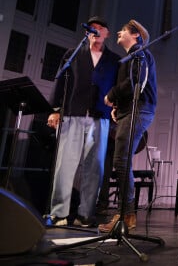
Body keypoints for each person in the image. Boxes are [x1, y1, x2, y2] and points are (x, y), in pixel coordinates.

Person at [48, 16, 119, 227]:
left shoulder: (114, 60)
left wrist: (115, 107)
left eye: (101, 28)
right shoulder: (73, 54)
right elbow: (60, 81)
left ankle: (85, 214)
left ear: (107, 33)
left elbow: (117, 87)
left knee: (94, 166)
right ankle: (58, 212)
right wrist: (55, 110)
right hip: (73, 113)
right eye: (92, 28)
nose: (96, 31)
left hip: (100, 116)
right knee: (65, 165)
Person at [98, 19, 157, 233]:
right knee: (121, 161)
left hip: (140, 110)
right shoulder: (130, 57)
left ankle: (126, 214)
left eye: (123, 30)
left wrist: (111, 95)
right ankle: (127, 214)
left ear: (136, 35)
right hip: (131, 109)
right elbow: (132, 87)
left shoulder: (140, 54)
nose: (118, 33)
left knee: (121, 161)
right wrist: (118, 105)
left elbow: (135, 81)